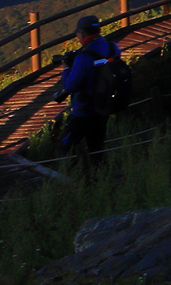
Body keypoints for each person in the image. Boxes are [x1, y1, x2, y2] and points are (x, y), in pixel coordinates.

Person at [50, 14, 122, 169]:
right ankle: (99, 175)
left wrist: (67, 68)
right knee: (96, 147)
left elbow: (71, 86)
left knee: (67, 146)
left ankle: (70, 176)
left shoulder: (83, 58)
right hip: (104, 106)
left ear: (82, 34)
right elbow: (102, 63)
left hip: (83, 110)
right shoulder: (113, 48)